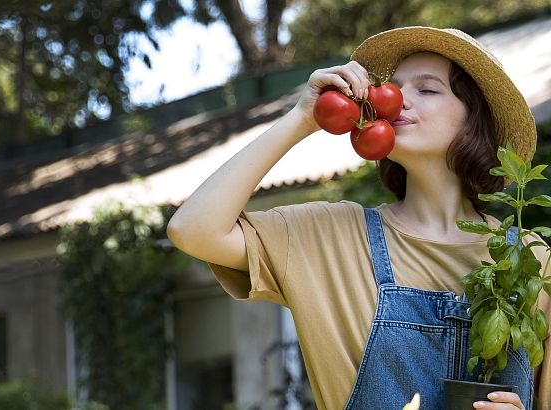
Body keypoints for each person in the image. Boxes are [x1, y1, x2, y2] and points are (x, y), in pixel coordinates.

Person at [167, 26, 551, 410]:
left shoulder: (530, 260)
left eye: (427, 89)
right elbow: (193, 229)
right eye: (395, 88)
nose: (398, 100)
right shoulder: (330, 236)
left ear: (474, 121)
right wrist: (302, 118)